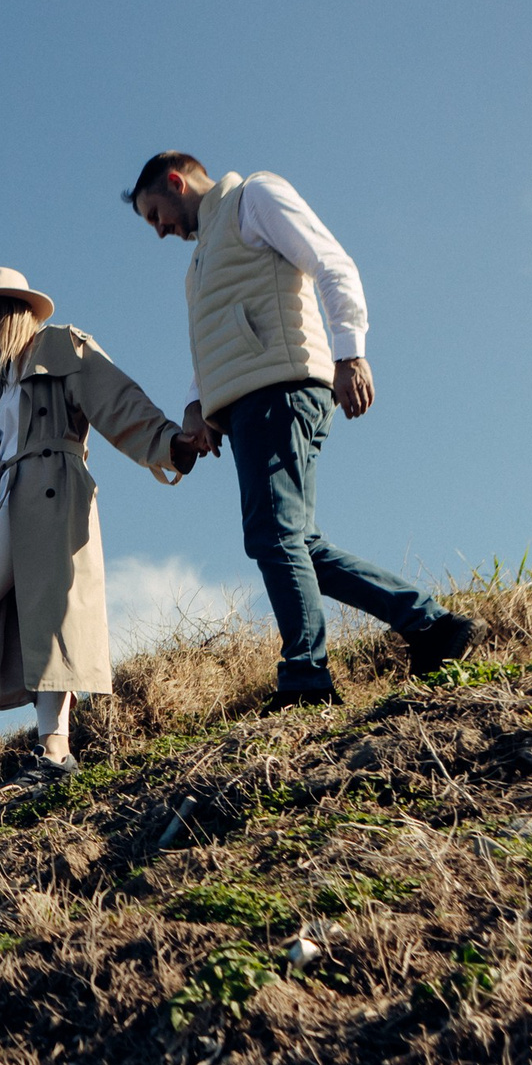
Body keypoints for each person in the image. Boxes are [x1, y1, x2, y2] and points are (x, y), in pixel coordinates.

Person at [123, 153, 473, 706]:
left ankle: (307, 680)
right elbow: (211, 344)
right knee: (296, 542)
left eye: (155, 214)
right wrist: (197, 407)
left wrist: (350, 353)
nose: (160, 230)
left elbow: (332, 262)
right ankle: (431, 626)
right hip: (249, 405)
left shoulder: (252, 198)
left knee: (272, 537)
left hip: (280, 392)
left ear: (176, 181)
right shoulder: (199, 265)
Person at [0, 268, 203, 786]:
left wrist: (168, 442)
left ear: (9, 312)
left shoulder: (63, 347)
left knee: (52, 616)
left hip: (54, 490)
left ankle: (49, 750)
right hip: (7, 496)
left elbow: (117, 399)